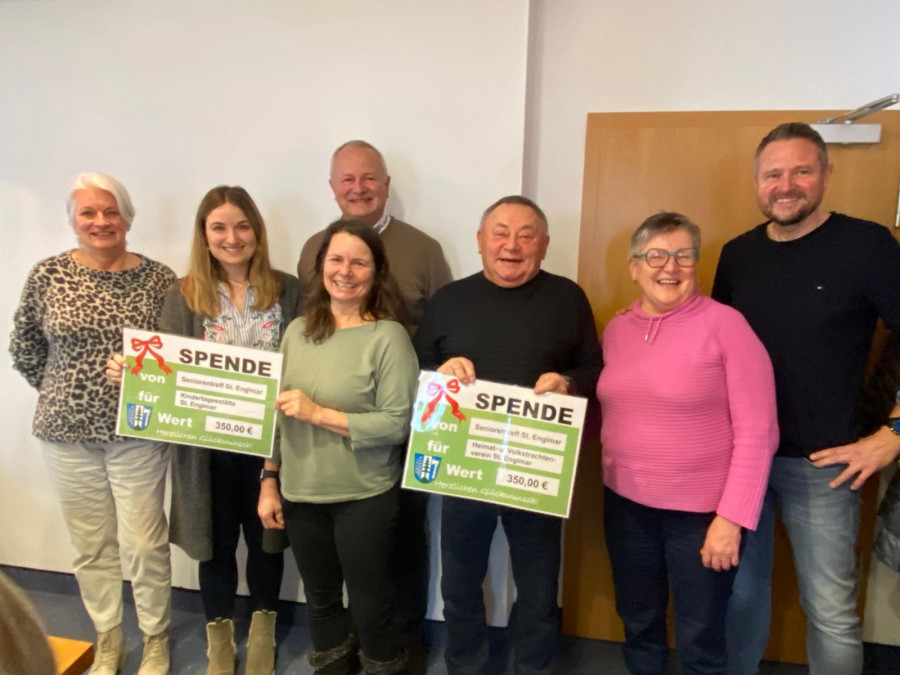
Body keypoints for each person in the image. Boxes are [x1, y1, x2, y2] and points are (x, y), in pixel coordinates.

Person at [714, 122, 900, 675]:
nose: (786, 185)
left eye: (801, 171)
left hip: (825, 464)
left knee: (832, 613)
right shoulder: (737, 255)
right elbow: (714, 349)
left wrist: (893, 434)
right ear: (757, 181)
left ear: (826, 174)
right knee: (739, 599)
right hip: (742, 459)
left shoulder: (867, 245)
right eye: (774, 174)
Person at [106, 186, 300, 674]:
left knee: (267, 540)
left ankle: (262, 633)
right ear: (204, 235)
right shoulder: (184, 294)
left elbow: (301, 364)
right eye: (219, 228)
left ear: (257, 231)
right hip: (205, 452)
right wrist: (134, 374)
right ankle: (219, 640)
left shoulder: (289, 289)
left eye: (242, 226)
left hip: (271, 446)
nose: (232, 238)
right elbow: (167, 372)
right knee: (212, 545)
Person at [413, 195, 602, 675]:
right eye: (500, 233)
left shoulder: (568, 298)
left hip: (535, 468)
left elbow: (594, 368)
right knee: (459, 586)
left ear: (544, 244)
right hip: (462, 469)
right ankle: (465, 667)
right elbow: (417, 369)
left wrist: (568, 382)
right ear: (480, 241)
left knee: (538, 589)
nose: (512, 245)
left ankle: (533, 668)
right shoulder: (448, 300)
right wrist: (440, 372)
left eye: (526, 235)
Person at [9, 173, 176, 675]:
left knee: (144, 542)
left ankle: (155, 637)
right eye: (88, 212)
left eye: (110, 211)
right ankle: (107, 637)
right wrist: (60, 389)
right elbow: (24, 345)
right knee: (91, 544)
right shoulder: (48, 275)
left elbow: (177, 356)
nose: (101, 221)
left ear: (127, 217)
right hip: (65, 433)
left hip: (138, 431)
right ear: (73, 220)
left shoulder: (160, 279)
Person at [597, 212, 778, 674]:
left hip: (701, 517)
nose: (670, 267)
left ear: (696, 264)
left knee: (701, 638)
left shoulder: (727, 326)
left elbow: (759, 432)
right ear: (634, 267)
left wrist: (732, 519)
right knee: (638, 622)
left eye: (683, 255)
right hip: (626, 507)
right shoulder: (617, 330)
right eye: (656, 255)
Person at [298, 139, 452, 654]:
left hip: (401, 418)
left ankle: (401, 645)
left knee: (402, 540)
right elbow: (310, 324)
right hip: (325, 428)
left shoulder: (424, 248)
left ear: (386, 185)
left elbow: (445, 328)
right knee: (339, 555)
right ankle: (348, 643)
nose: (359, 188)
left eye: (369, 178)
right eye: (348, 179)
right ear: (332, 187)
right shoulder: (314, 248)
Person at [259, 220, 418, 675]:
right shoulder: (296, 332)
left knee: (370, 605)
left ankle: (383, 666)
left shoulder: (388, 337)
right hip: (301, 490)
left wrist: (318, 414)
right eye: (336, 259)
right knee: (321, 600)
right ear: (321, 266)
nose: (345, 271)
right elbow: (274, 416)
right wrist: (269, 480)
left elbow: (397, 424)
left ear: (376, 271)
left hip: (364, 495)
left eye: (359, 262)